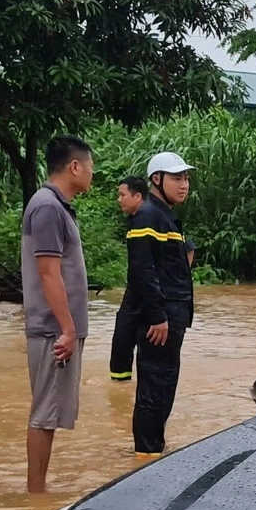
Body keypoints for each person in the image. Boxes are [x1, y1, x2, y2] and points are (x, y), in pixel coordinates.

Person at [22, 135, 94, 494]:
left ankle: (38, 490)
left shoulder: (55, 206)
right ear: (75, 167)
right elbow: (49, 273)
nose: (92, 174)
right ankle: (35, 495)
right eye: (90, 166)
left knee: (48, 413)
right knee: (44, 414)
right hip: (53, 330)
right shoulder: (48, 207)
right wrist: (66, 329)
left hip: (58, 328)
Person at [125, 153, 196, 458]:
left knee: (163, 385)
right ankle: (147, 454)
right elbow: (143, 269)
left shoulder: (163, 214)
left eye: (186, 178)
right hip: (161, 319)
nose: (184, 185)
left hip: (171, 315)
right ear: (157, 180)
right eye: (177, 178)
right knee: (155, 387)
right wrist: (157, 315)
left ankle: (152, 449)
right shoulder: (150, 215)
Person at [107, 176, 150, 385]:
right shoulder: (133, 219)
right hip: (134, 291)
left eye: (122, 194)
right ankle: (120, 389)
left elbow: (187, 247)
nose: (119, 199)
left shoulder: (151, 217)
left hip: (149, 292)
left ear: (137, 196)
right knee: (121, 340)